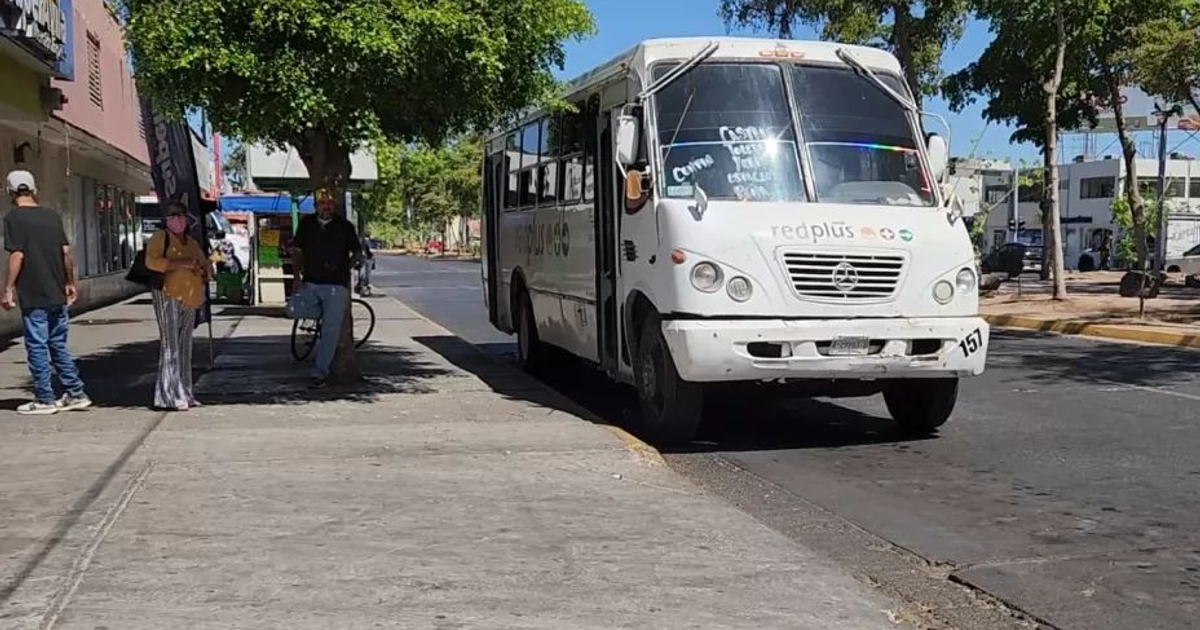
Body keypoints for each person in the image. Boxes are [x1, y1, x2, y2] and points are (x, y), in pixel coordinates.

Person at [2, 170, 91, 415]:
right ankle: (76, 393)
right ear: (34, 190)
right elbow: (65, 251)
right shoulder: (52, 216)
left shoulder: (13, 219)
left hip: (34, 292)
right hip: (56, 291)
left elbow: (17, 254)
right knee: (58, 344)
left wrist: (8, 288)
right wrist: (70, 282)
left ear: (9, 191)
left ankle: (44, 398)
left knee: (37, 346)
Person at [287, 189, 361, 389]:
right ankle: (325, 314)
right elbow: (297, 250)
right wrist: (296, 277)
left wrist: (346, 269)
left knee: (330, 332)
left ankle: (319, 373)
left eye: (329, 203)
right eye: (322, 203)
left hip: (336, 285)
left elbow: (358, 252)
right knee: (292, 309)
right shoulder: (307, 224)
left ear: (334, 206)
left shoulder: (344, 227)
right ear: (315, 206)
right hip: (311, 281)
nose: (326, 206)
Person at [144, 202, 209, 411]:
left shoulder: (190, 242)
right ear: (166, 219)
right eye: (173, 216)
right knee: (170, 346)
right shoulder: (160, 238)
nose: (178, 219)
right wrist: (182, 264)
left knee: (184, 346)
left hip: (189, 298)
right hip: (167, 295)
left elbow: (203, 264)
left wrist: (201, 268)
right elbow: (152, 262)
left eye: (181, 215)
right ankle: (167, 395)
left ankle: (185, 392)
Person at [356, 231, 374, 296]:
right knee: (364, 275)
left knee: (363, 274)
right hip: (366, 259)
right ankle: (363, 288)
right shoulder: (365, 241)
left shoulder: (362, 241)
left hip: (365, 259)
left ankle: (363, 288)